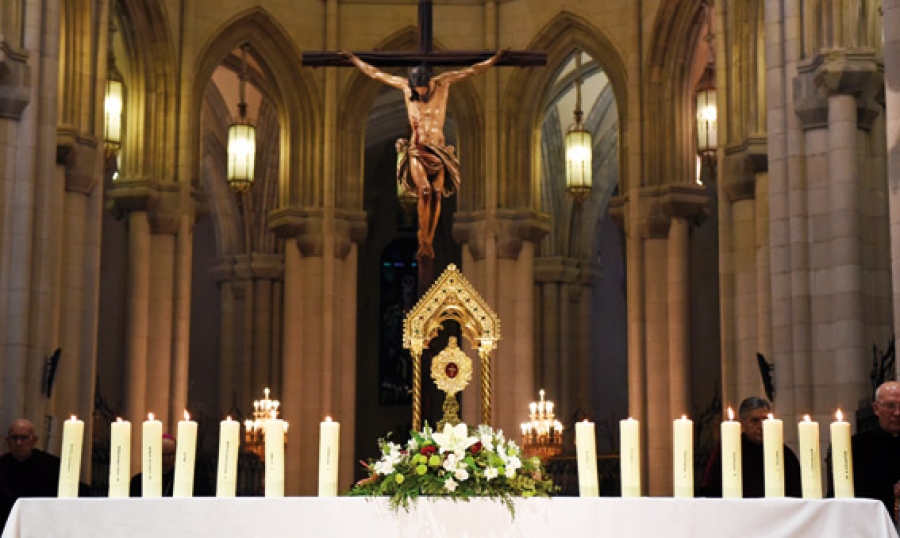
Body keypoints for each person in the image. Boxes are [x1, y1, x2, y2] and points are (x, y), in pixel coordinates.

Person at [342, 49, 505, 260]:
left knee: (437, 193)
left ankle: (430, 236)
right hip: (417, 149)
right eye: (416, 91)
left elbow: (472, 71)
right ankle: (424, 238)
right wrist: (354, 60)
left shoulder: (443, 84)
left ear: (429, 83)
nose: (419, 94)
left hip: (438, 151)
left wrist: (495, 60)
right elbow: (376, 74)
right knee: (425, 191)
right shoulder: (405, 88)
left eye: (422, 89)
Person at [698, 396, 802, 497]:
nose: (761, 426)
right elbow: (709, 489)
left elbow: (796, 490)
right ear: (743, 424)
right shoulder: (727, 450)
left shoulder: (783, 453)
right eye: (755, 421)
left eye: (765, 420)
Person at [849, 381, 900, 518]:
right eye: (890, 406)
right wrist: (890, 491)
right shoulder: (857, 446)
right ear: (876, 409)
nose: (897, 412)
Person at [0, 419, 61, 528]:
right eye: (14, 438)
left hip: (41, 523)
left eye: (24, 438)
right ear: (7, 441)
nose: (19, 443)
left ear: (34, 440)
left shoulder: (51, 465)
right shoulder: (2, 465)